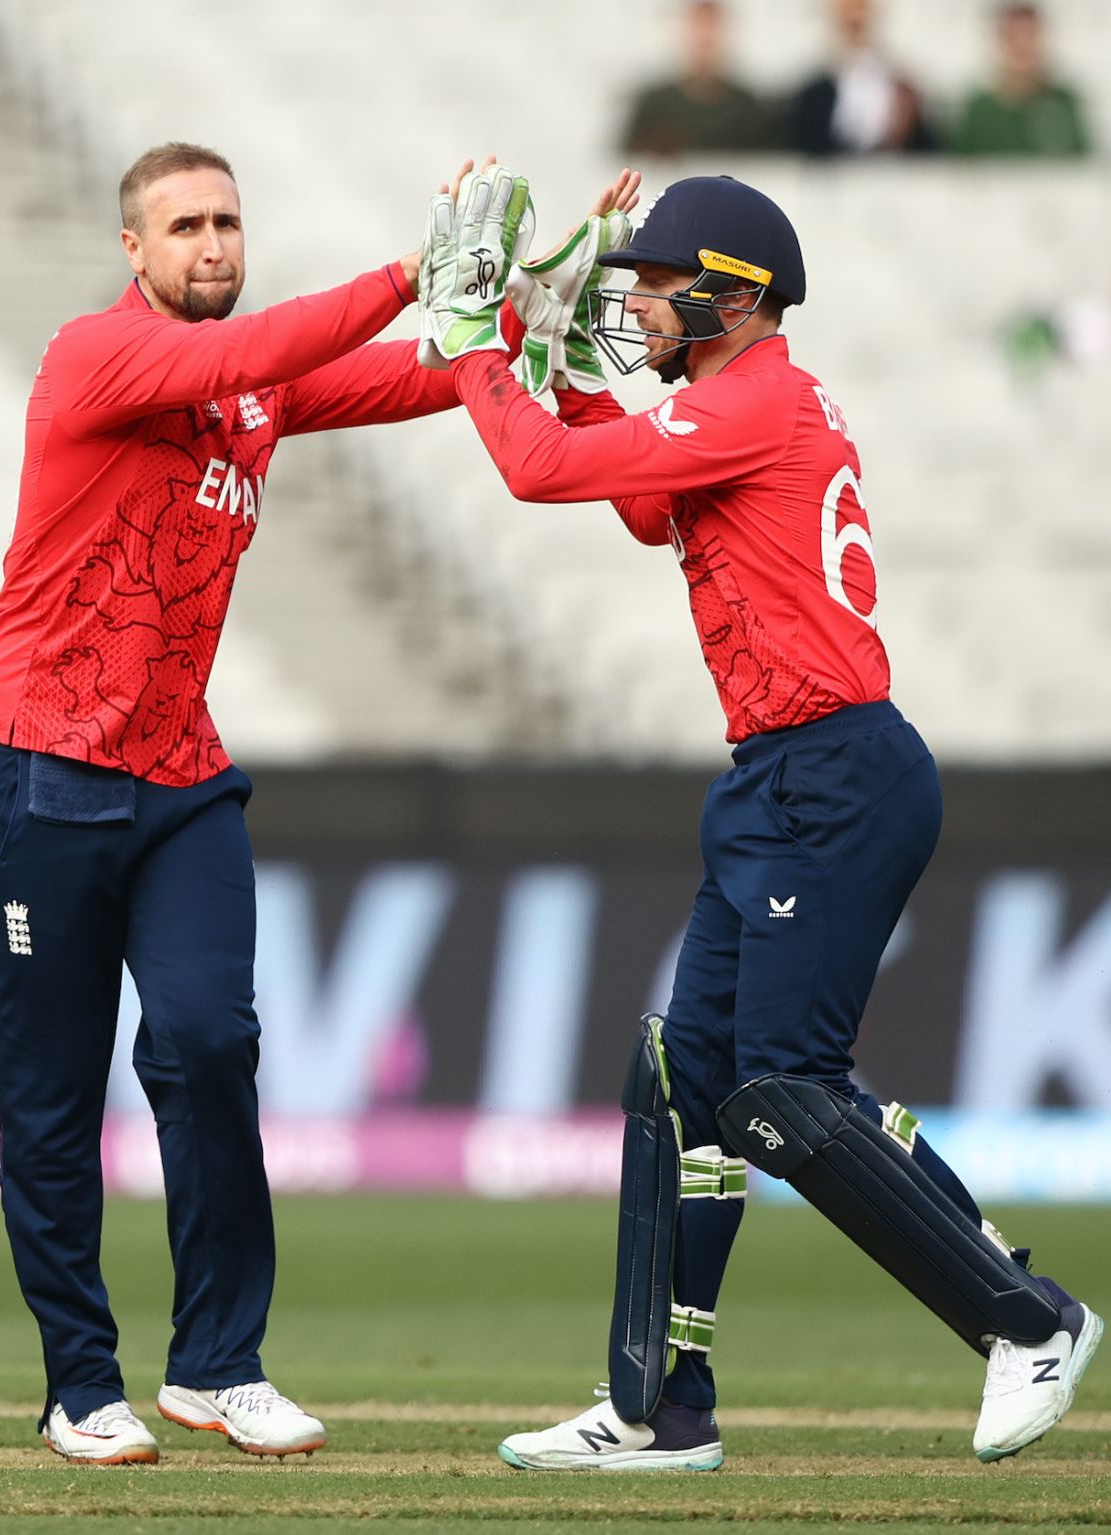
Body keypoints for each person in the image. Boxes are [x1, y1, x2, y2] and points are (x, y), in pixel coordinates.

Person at [416, 164, 1103, 1470]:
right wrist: (562, 362)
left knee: (784, 1088)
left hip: (832, 771)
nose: (646, 312)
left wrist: (472, 351)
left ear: (733, 296)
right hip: (785, 770)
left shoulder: (762, 398)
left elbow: (534, 472)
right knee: (690, 1075)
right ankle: (657, 1404)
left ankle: (1031, 1317)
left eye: (662, 291)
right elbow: (633, 503)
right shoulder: (742, 400)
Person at [0, 140, 503, 1467]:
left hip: (180, 775)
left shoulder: (249, 392)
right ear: (134, 251)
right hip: (41, 771)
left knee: (208, 1041)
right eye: (185, 225)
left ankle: (217, 1362)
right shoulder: (99, 353)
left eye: (228, 223)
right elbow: (258, 355)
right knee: (52, 1095)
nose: (212, 242)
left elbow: (414, 378)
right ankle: (81, 1380)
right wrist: (411, 272)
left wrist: (531, 318)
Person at [618, 0, 778, 157]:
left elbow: (766, 164)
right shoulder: (653, 104)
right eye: (698, 29)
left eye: (712, 30)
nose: (704, 39)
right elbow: (627, 162)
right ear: (684, 34)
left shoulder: (748, 107)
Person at [786, 0, 937, 156]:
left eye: (862, 24)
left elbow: (925, 152)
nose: (857, 35)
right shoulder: (813, 96)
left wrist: (904, 125)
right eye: (850, 25)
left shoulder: (902, 93)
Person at [952, 3, 1091, 158]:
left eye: (1030, 36)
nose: (1023, 47)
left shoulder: (1064, 103)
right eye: (1014, 38)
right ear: (1000, 42)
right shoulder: (979, 111)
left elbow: (1080, 168)